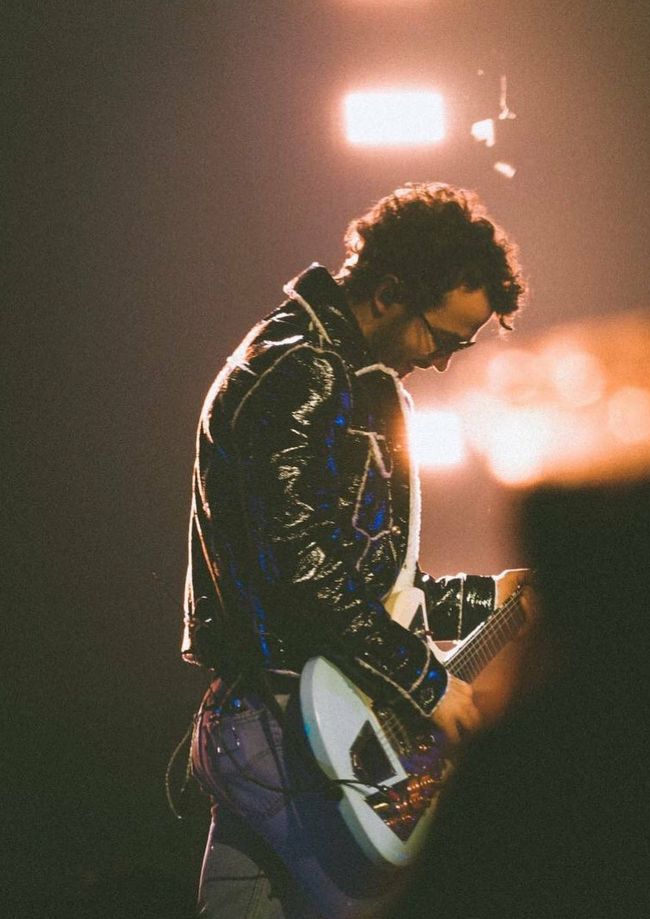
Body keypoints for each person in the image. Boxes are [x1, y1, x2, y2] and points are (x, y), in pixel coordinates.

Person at [182, 182, 531, 918]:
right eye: (443, 337)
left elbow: (354, 576)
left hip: (286, 720)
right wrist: (430, 686)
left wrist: (485, 598)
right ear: (392, 292)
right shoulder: (300, 369)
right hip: (292, 723)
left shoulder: (337, 373)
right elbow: (307, 578)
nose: (441, 362)